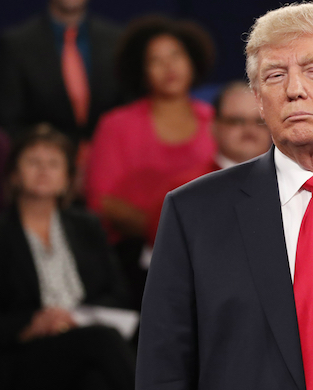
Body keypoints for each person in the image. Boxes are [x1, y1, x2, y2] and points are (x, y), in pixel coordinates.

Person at [135, 4, 313, 390]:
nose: (294, 89)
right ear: (257, 99)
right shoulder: (193, 214)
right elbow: (162, 374)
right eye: (275, 75)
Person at [85, 15, 217, 306]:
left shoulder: (216, 121)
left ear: (192, 60)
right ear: (142, 72)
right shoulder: (116, 124)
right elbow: (102, 202)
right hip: (137, 256)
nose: (169, 66)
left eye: (175, 55)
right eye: (156, 60)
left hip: (214, 250)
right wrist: (165, 233)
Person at [0, 124, 134, 390]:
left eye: (53, 163)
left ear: (67, 178)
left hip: (84, 338)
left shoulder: (86, 227)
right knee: (103, 340)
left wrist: (76, 317)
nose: (43, 171)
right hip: (24, 352)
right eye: (33, 162)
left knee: (96, 383)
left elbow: (118, 295)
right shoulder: (3, 232)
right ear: (14, 174)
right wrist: (32, 322)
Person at [143, 81, 273, 246]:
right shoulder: (182, 190)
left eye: (259, 122)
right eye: (236, 121)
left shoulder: (291, 186)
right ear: (214, 127)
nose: (249, 130)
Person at [0, 0, 122, 143]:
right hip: (44, 157)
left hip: (108, 152)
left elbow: (128, 108)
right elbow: (10, 119)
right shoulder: (16, 44)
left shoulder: (117, 40)